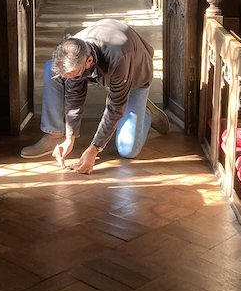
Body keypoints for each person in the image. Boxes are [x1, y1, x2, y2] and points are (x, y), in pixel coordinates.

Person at [21, 18, 169, 174]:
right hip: (102, 63)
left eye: (73, 74)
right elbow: (74, 96)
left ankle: (146, 112)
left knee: (128, 150)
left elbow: (115, 107)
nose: (70, 79)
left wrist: (94, 149)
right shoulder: (74, 50)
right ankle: (54, 134)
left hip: (135, 76)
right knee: (49, 68)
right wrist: (70, 137)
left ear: (89, 60)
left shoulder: (119, 58)